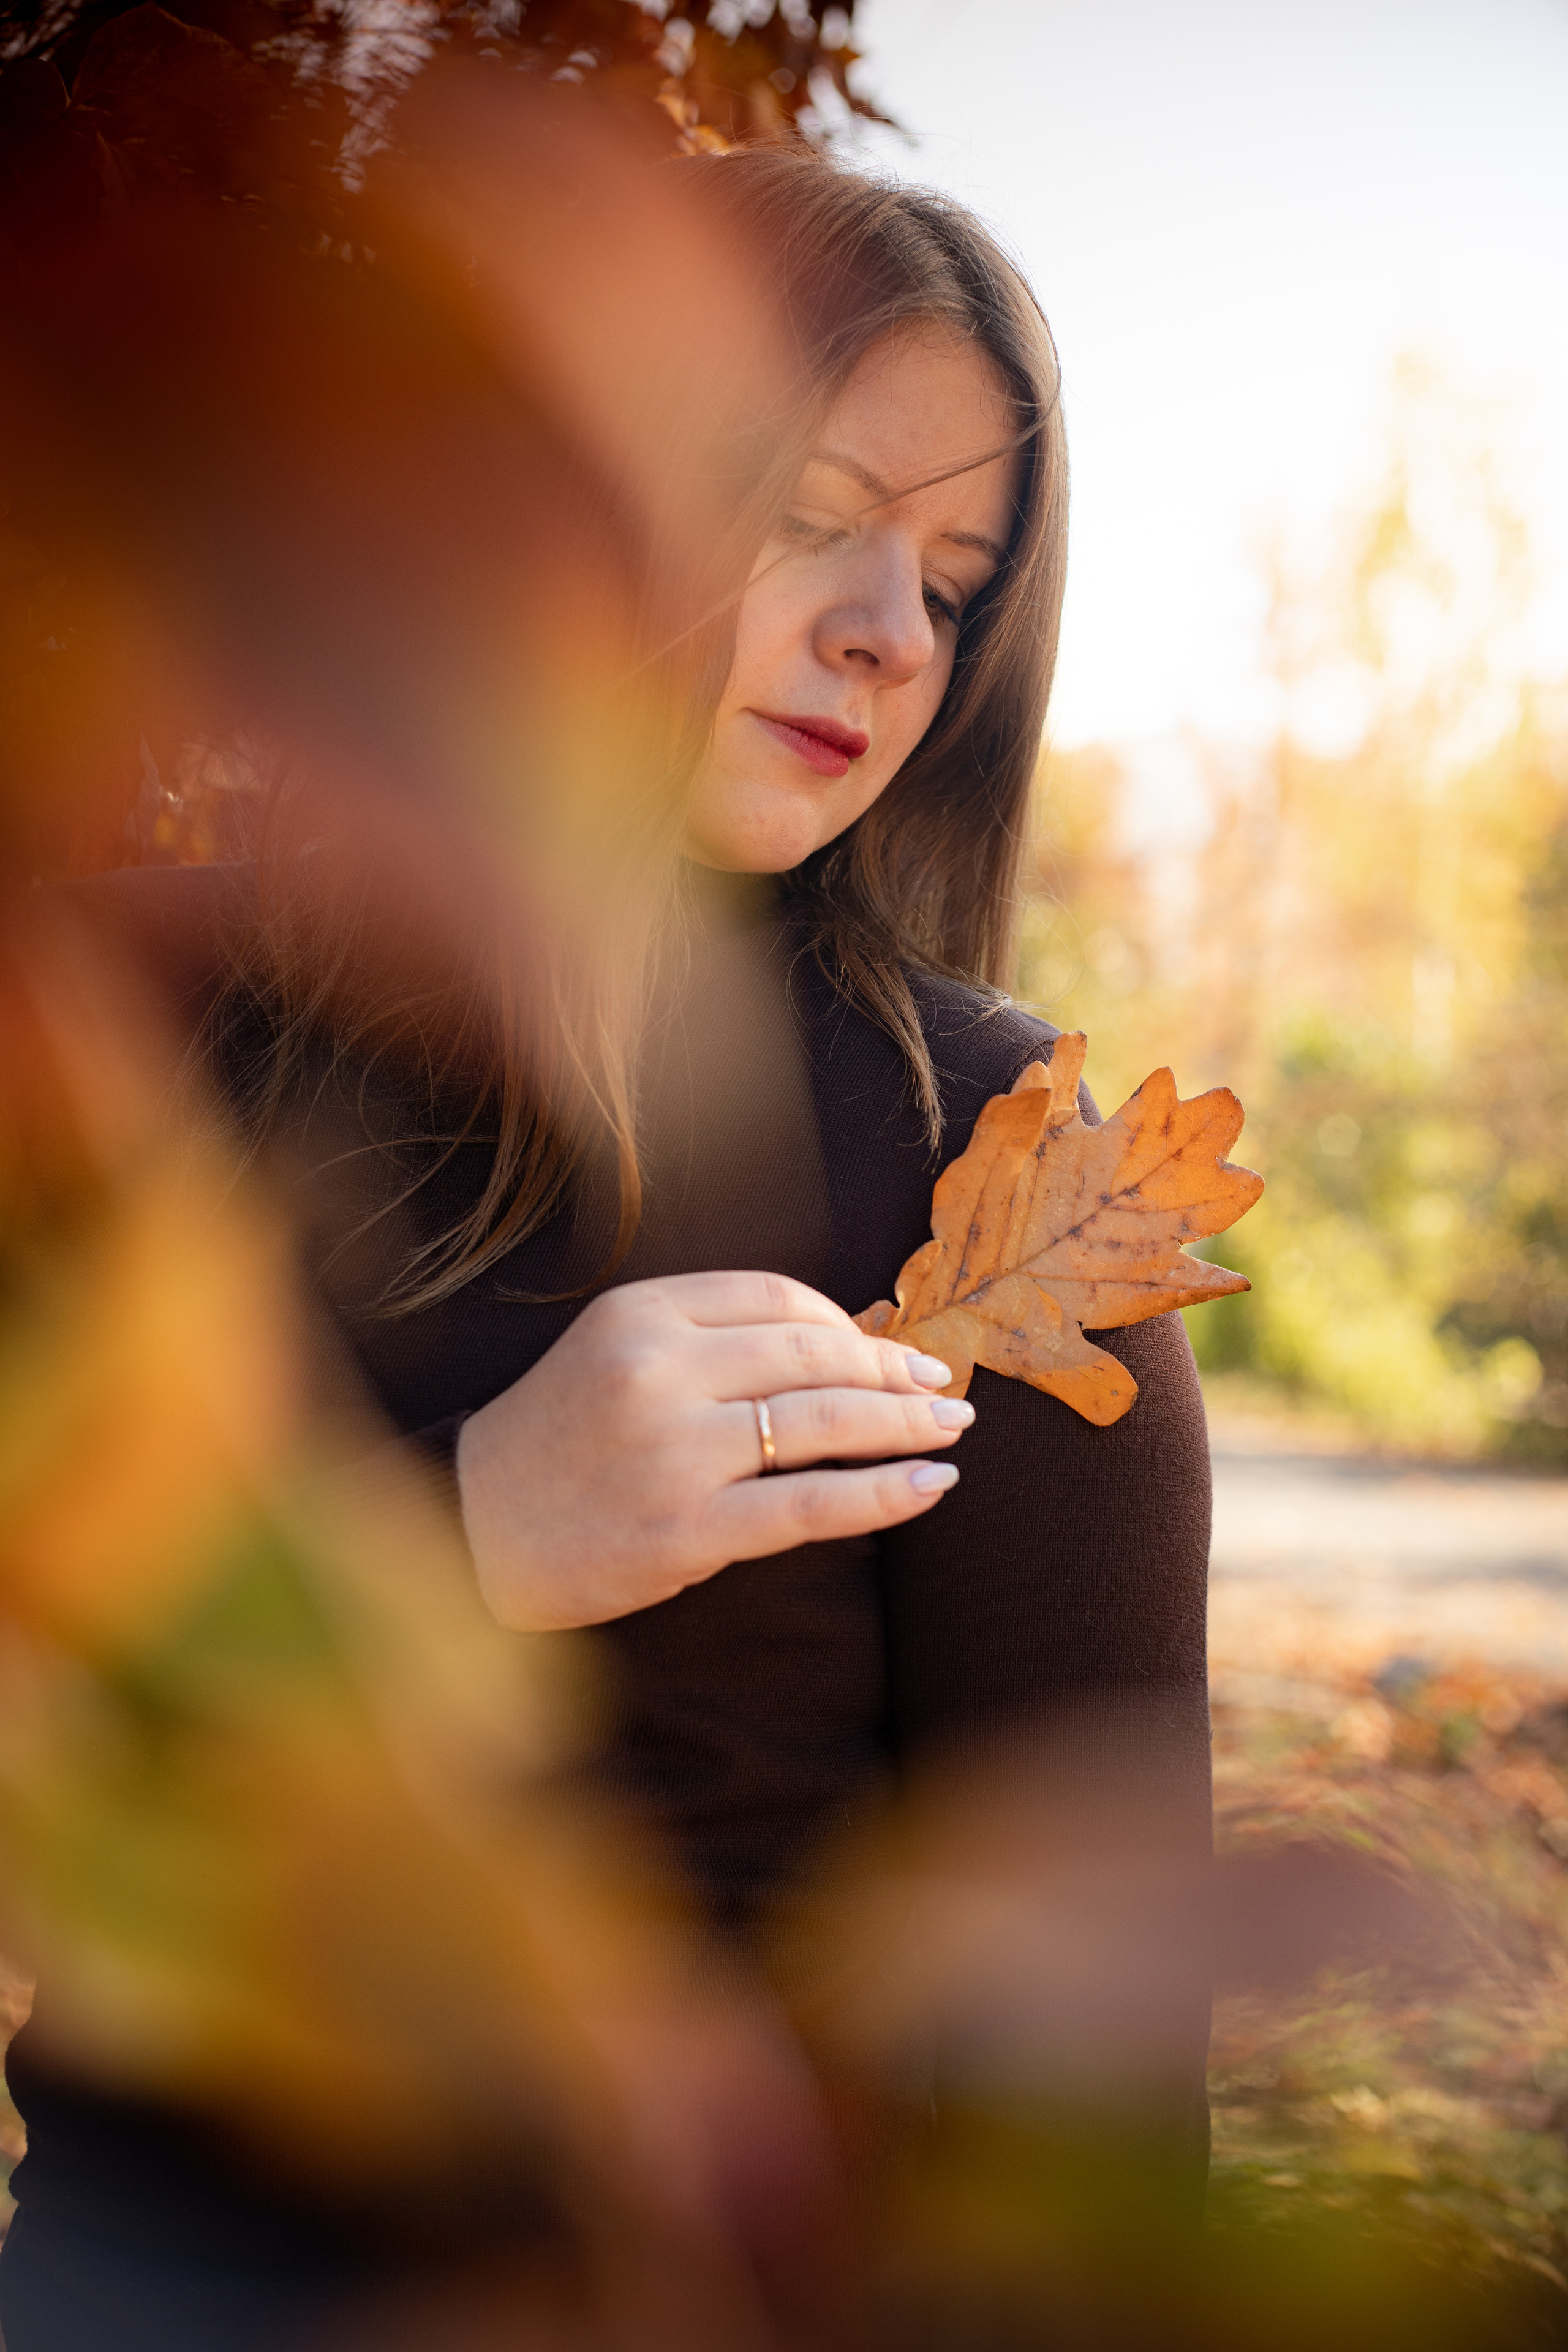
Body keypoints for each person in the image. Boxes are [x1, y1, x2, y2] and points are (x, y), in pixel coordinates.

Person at [1, 143, 1212, 2349]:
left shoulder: (1000, 1156)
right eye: (809, 514)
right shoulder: (91, 1014)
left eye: (955, 586)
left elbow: (1099, 2082)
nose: (890, 633)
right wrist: (466, 1533)